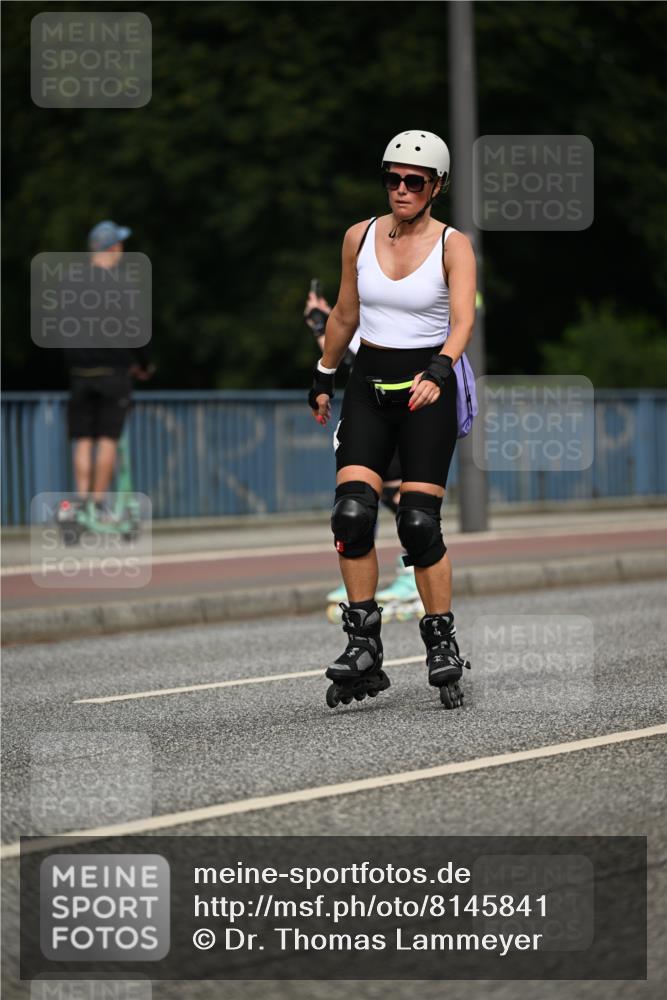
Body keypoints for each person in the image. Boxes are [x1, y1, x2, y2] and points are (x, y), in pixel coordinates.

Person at [308, 130, 476, 709]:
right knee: (352, 515)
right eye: (393, 178)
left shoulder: (454, 244)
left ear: (436, 187)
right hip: (368, 387)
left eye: (414, 181)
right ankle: (363, 646)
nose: (401, 189)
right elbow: (345, 313)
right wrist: (323, 372)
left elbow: (461, 322)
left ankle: (442, 643)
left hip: (427, 389)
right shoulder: (359, 236)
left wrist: (439, 369)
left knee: (418, 525)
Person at [304, 288, 421, 621]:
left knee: (402, 499)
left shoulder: (392, 319)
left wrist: (319, 324)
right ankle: (362, 574)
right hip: (371, 415)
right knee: (364, 501)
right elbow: (342, 351)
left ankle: (413, 572)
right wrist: (322, 322)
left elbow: (352, 356)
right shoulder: (363, 315)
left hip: (398, 410)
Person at [65, 220, 153, 515]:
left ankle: (79, 501)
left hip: (79, 373)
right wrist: (143, 365)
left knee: (83, 439)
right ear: (112, 247)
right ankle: (98, 503)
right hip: (113, 373)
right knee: (107, 439)